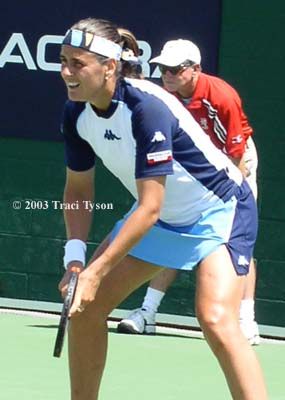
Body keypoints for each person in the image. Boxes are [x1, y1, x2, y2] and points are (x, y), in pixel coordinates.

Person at [58, 18, 268, 400]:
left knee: (217, 319)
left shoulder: (146, 108)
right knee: (86, 308)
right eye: (63, 60)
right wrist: (76, 262)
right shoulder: (76, 114)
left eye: (77, 63)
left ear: (109, 67)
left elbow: (149, 208)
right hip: (161, 218)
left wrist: (94, 273)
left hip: (220, 209)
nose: (66, 72)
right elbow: (78, 190)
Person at [118, 39, 260, 345]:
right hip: (192, 167)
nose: (167, 74)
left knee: (237, 240)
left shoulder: (222, 97)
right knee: (178, 234)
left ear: (195, 70)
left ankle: (246, 322)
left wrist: (228, 198)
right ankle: (147, 312)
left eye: (175, 69)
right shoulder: (161, 98)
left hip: (234, 164)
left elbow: (235, 157)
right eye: (163, 68)